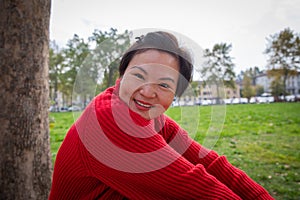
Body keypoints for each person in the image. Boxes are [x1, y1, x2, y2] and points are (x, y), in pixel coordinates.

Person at [49, 31, 274, 199]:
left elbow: (212, 164)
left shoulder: (153, 118)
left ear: (175, 95)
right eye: (139, 76)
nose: (148, 92)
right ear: (121, 76)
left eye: (164, 85)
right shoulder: (109, 119)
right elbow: (198, 190)